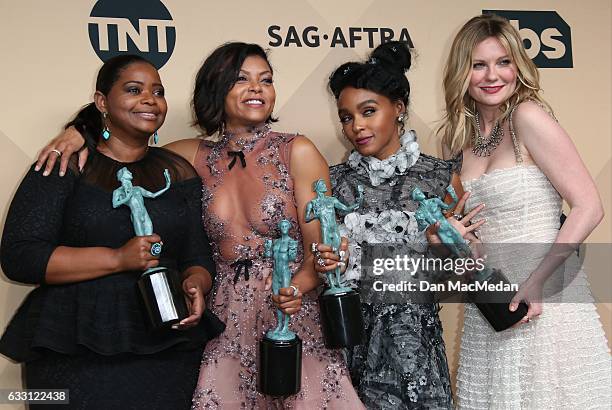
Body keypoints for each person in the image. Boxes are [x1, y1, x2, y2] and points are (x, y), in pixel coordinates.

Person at [33, 43, 363, 409]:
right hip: (222, 319)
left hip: (289, 312)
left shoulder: (297, 150)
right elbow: (128, 142)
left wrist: (295, 289)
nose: (257, 88)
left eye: (265, 80)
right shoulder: (189, 157)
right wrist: (84, 131)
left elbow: (322, 247)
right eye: (242, 79)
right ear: (216, 88)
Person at [0, 54, 224, 409]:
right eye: (134, 89)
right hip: (73, 346)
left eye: (158, 91)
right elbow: (20, 255)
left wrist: (196, 282)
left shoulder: (178, 172)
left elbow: (197, 253)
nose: (150, 99)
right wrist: (117, 258)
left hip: (167, 347)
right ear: (102, 101)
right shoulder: (64, 162)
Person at [438, 14, 611, 409]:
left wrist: (537, 281)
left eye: (503, 62)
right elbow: (474, 240)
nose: (492, 75)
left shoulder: (527, 117)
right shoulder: (456, 142)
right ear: (462, 72)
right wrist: (459, 238)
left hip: (547, 300)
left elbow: (589, 206)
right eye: (479, 65)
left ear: (518, 65)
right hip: (494, 304)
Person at [318, 41, 483, 409]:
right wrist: (328, 261)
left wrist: (448, 250)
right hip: (349, 348)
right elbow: (320, 269)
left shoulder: (441, 178)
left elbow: (466, 275)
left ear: (399, 107)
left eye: (368, 111)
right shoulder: (333, 184)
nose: (356, 126)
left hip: (416, 351)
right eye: (346, 117)